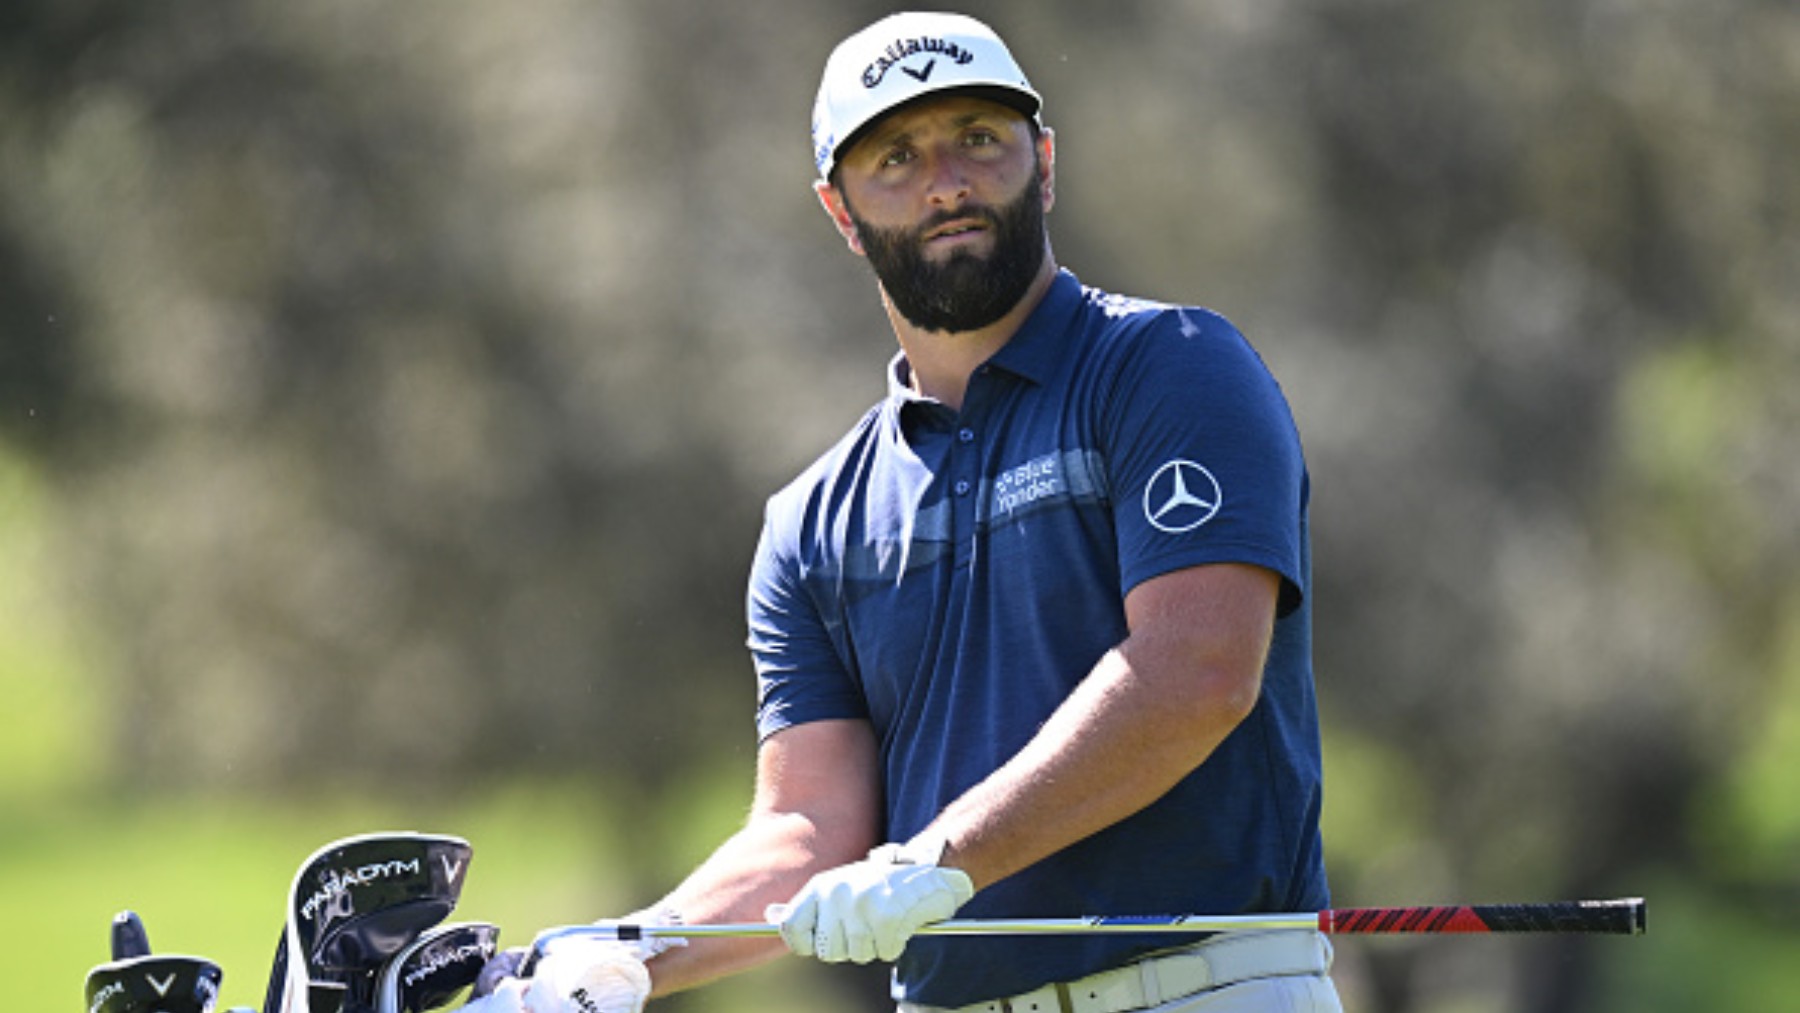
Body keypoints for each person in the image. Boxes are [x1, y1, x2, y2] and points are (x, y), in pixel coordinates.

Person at [467, 11, 1341, 1013]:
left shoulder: (1171, 367)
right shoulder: (813, 523)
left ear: (1042, 163)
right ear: (841, 212)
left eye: (979, 138)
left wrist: (942, 856)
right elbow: (809, 826)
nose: (947, 182)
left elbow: (1198, 669)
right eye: (896, 157)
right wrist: (628, 955)